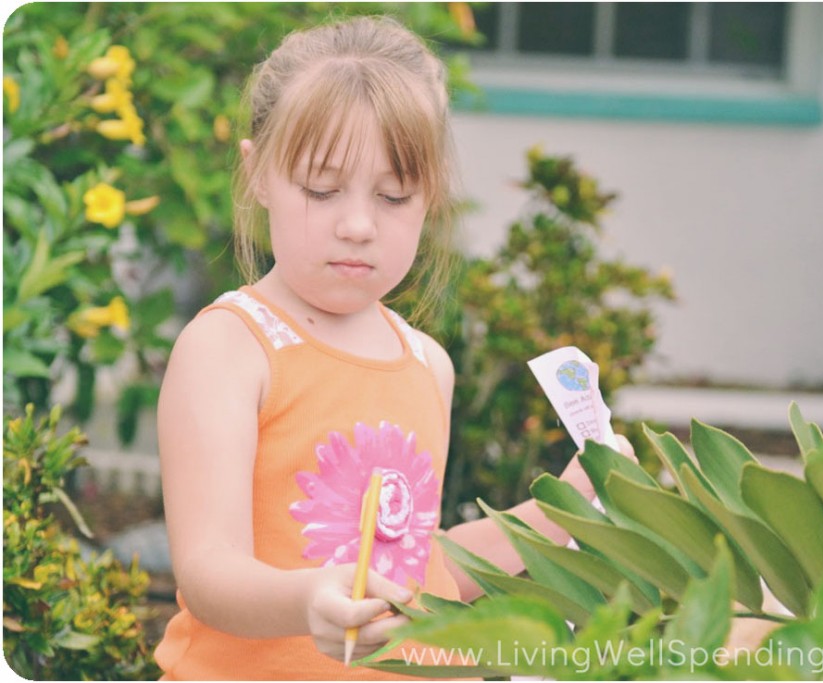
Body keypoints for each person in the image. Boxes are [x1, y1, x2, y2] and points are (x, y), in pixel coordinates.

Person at [154, 15, 634, 681]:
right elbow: (208, 569)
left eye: (393, 196)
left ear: (429, 196)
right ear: (258, 173)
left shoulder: (425, 363)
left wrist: (566, 509)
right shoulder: (231, 347)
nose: (357, 225)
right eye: (322, 189)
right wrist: (308, 600)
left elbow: (419, 569)